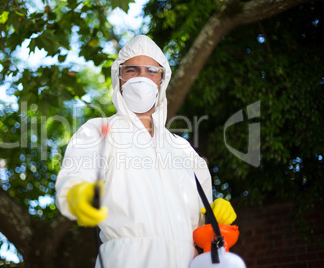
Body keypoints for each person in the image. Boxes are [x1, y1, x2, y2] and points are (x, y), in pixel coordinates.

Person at [55, 35, 236, 268]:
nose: (142, 79)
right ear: (118, 78)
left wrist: (215, 217)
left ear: (162, 79)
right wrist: (75, 193)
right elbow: (75, 175)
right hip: (126, 260)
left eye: (151, 71)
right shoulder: (99, 132)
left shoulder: (183, 150)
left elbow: (203, 227)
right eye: (132, 70)